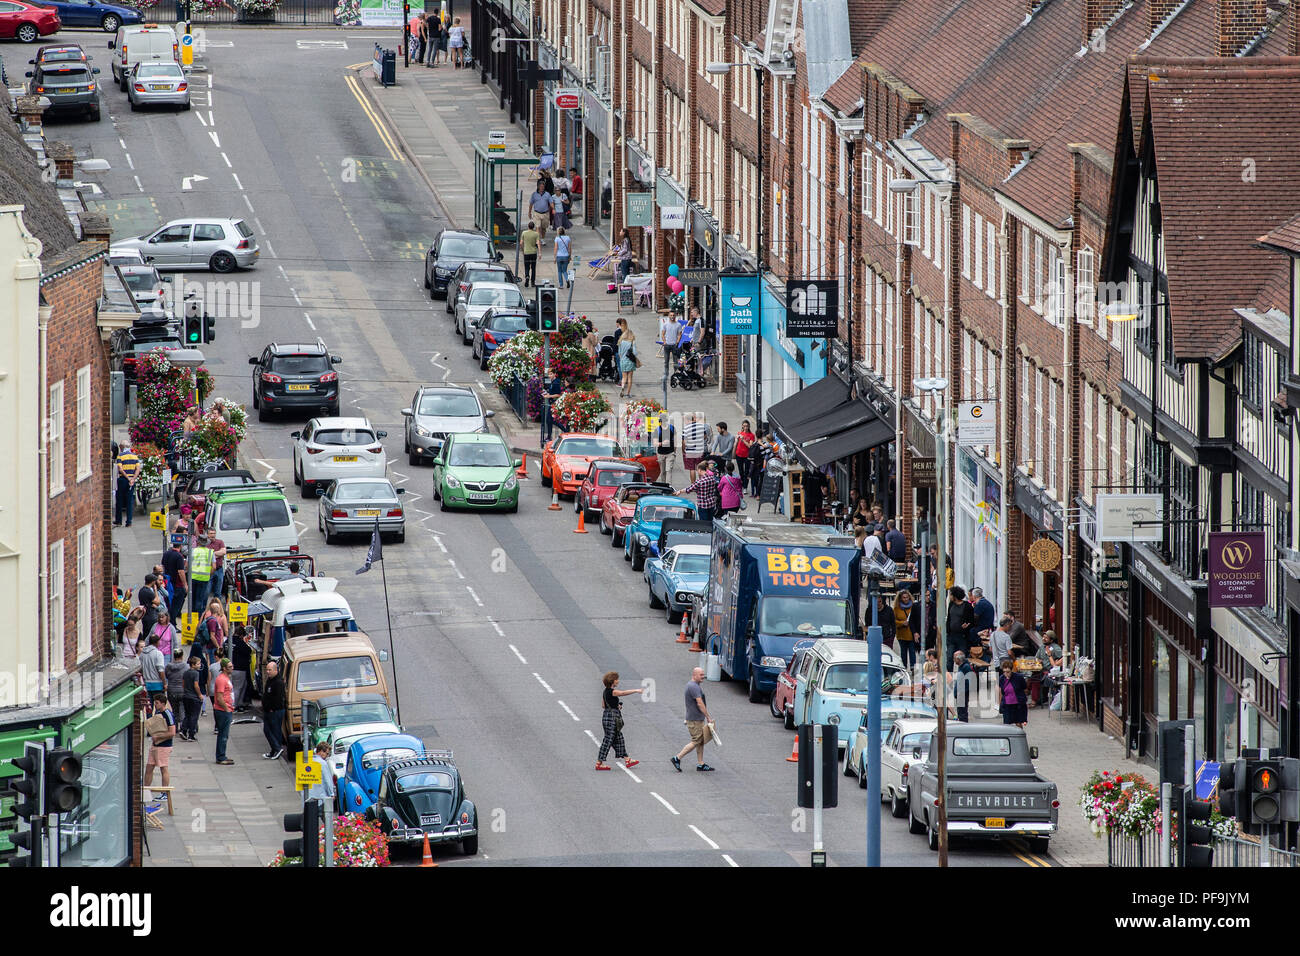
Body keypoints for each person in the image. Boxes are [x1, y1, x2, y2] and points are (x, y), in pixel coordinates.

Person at [671, 666, 716, 771]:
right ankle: (677, 758)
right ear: (694, 675)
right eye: (701, 675)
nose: (703, 677)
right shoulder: (694, 687)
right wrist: (708, 717)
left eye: (703, 674)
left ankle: (700, 764)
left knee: (700, 741)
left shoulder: (693, 685)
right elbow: (700, 703)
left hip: (696, 718)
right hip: (694, 719)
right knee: (696, 741)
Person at [595, 671, 641, 770]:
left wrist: (616, 706)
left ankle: (627, 759)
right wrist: (636, 690)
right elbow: (623, 693)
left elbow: (603, 705)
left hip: (607, 716)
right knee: (608, 740)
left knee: (619, 738)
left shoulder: (605, 691)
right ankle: (599, 762)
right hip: (612, 718)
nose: (618, 681)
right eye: (617, 679)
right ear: (612, 681)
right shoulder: (612, 691)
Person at [143, 693, 175, 790]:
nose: (155, 705)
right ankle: (146, 790)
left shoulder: (168, 714)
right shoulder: (157, 713)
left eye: (157, 703)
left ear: (163, 703)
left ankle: (164, 791)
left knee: (163, 768)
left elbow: (172, 732)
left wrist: (158, 736)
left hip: (164, 745)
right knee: (149, 767)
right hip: (155, 744)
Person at [261, 659, 286, 760]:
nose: (267, 672)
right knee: (270, 730)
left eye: (269, 670)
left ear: (276, 670)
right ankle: (274, 751)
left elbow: (278, 698)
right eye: (267, 670)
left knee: (272, 731)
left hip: (274, 711)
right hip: (269, 710)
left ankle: (277, 748)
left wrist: (271, 708)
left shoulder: (278, 683)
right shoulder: (270, 680)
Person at [213, 658, 235, 765]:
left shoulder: (225, 678)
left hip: (226, 709)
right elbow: (220, 697)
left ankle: (222, 755)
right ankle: (221, 757)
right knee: (223, 735)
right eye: (230, 667)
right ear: (224, 668)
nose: (232, 668)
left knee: (224, 734)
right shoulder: (222, 679)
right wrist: (226, 709)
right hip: (223, 711)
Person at [945, 586, 973, 668]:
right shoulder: (951, 604)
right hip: (951, 635)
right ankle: (949, 676)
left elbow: (972, 621)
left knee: (962, 658)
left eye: (950, 595)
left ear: (955, 596)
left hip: (962, 636)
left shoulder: (967, 606)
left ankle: (963, 675)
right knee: (949, 657)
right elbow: (949, 618)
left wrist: (967, 625)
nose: (949, 597)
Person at [114, 443, 140, 526]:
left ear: (122, 447)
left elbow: (120, 469)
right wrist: (133, 479)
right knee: (129, 501)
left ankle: (119, 520)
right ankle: (129, 522)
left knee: (119, 500)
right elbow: (138, 469)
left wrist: (128, 478)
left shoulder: (120, 456)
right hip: (131, 481)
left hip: (123, 480)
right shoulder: (135, 456)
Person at [161, 537, 188, 622]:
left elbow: (162, 566)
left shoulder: (166, 554)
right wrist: (185, 584)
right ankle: (172, 622)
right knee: (176, 605)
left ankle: (170, 621)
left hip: (167, 583)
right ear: (180, 546)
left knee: (169, 603)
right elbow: (181, 571)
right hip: (177, 584)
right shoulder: (179, 556)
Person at [998, 659, 1029, 728]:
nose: (1006, 674)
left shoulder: (1019, 677)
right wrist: (1000, 704)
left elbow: (1025, 688)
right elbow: (1001, 692)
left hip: (1018, 704)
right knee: (1006, 725)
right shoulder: (1001, 678)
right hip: (1007, 704)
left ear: (1011, 670)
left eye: (1008, 672)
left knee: (1018, 723)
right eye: (1004, 672)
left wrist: (1024, 700)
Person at [180, 655, 203, 741]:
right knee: (194, 716)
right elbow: (196, 685)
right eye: (198, 664)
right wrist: (200, 694)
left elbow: (183, 683)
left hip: (186, 696)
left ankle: (183, 729)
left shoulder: (185, 673)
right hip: (194, 697)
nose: (200, 665)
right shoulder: (196, 673)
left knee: (187, 714)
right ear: (193, 665)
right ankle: (191, 734)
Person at [230, 625, 253, 711]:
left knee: (241, 686)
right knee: (238, 688)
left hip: (231, 667)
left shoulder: (228, 641)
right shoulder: (240, 643)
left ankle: (239, 704)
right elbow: (248, 650)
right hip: (240, 668)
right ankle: (234, 706)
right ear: (241, 635)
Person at [681, 413, 711, 480]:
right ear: (693, 418)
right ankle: (701, 483)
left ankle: (693, 484)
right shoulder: (701, 426)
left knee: (692, 469)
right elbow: (705, 436)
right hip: (699, 450)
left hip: (690, 451)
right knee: (700, 467)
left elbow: (683, 442)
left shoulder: (686, 428)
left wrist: (683, 450)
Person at [894, 591, 917, 670]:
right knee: (903, 653)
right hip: (901, 635)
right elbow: (894, 621)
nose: (906, 599)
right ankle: (904, 668)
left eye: (907, 597)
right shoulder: (896, 609)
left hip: (911, 634)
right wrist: (901, 623)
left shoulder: (913, 607)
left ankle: (913, 668)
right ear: (900, 598)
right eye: (904, 597)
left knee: (912, 653)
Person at [165, 648, 188, 722]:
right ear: (182, 656)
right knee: (182, 709)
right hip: (182, 690)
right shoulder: (186, 666)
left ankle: (175, 727)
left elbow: (167, 676)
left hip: (171, 690)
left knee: (174, 710)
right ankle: (182, 727)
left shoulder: (168, 666)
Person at [654, 416, 677, 484]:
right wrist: (661, 443)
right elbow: (655, 443)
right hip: (661, 453)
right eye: (661, 422)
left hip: (670, 453)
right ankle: (664, 486)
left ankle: (669, 487)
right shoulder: (657, 430)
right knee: (663, 472)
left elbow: (675, 440)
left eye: (665, 421)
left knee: (669, 470)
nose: (663, 423)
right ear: (660, 422)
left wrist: (674, 451)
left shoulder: (672, 428)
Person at [734, 419, 755, 492]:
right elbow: (736, 443)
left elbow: (750, 446)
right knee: (741, 471)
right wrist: (736, 439)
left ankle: (745, 487)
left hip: (746, 455)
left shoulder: (751, 435)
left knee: (746, 471)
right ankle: (742, 484)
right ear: (742, 426)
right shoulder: (739, 433)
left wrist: (743, 440)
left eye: (746, 426)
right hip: (739, 454)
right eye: (744, 426)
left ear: (749, 426)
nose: (745, 427)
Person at [617, 326, 638, 397]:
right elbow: (635, 353)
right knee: (630, 378)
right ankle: (628, 393)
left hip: (622, 361)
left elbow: (619, 353)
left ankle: (622, 387)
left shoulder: (621, 342)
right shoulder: (632, 342)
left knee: (624, 377)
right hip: (630, 362)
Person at [952, 651, 973, 722]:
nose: (953, 660)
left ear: (959, 659)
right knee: (960, 712)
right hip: (960, 694)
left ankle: (964, 728)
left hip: (962, 694)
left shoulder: (965, 667)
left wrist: (962, 692)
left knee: (962, 714)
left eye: (954, 658)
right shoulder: (961, 667)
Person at [520, 220, 540, 286]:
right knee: (533, 268)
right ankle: (533, 282)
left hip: (526, 252)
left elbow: (521, 243)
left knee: (527, 266)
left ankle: (527, 277)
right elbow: (538, 243)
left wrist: (523, 250)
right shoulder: (536, 234)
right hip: (533, 253)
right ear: (533, 227)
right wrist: (540, 252)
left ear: (528, 226)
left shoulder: (524, 233)